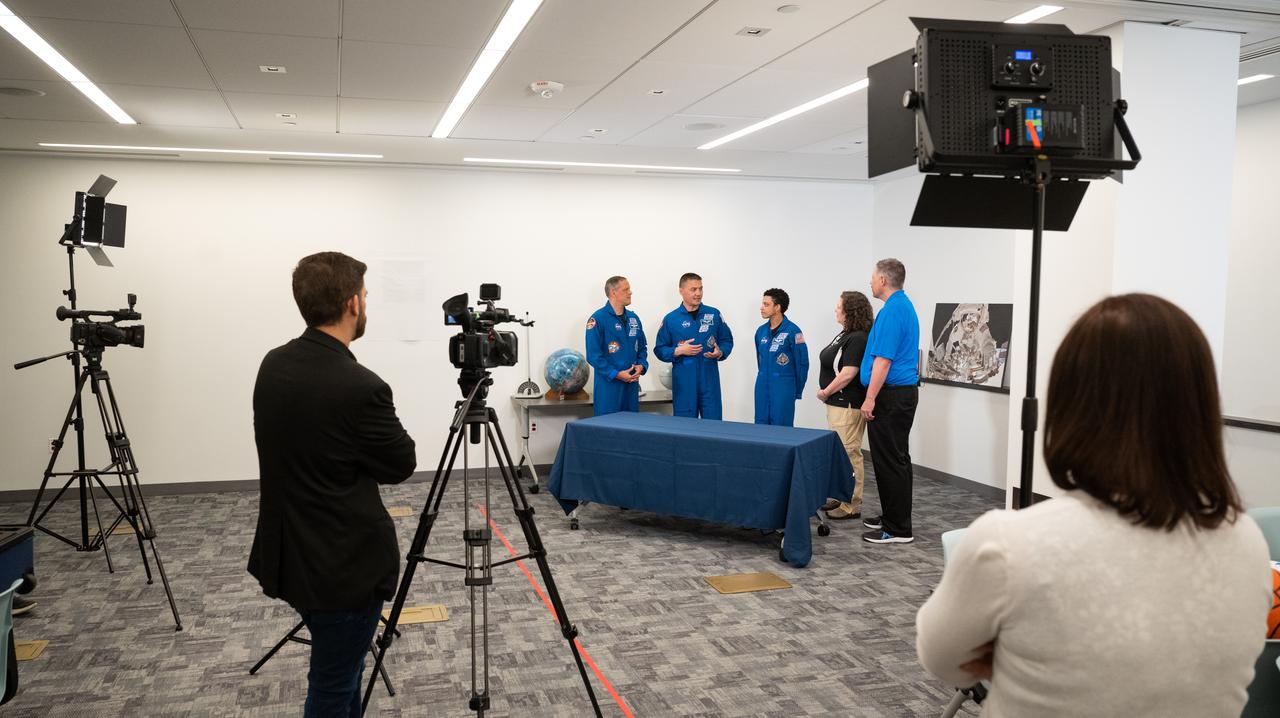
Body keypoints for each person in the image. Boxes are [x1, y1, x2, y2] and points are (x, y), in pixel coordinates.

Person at [915, 293, 1272, 718]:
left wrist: (1016, 653)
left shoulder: (1009, 543)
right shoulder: (1246, 540)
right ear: (1200, 406)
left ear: (1071, 403)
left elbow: (942, 659)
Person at [248, 252, 417, 717]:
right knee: (332, 682)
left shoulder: (273, 364)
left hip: (291, 555)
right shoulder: (362, 386)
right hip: (343, 565)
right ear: (352, 305)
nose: (365, 302)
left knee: (340, 673)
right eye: (364, 295)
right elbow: (401, 464)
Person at [859, 258, 920, 544]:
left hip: (892, 395)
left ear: (883, 280)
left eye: (872, 277)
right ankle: (891, 516)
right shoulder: (898, 307)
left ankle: (898, 528)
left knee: (892, 460)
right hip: (896, 393)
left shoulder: (894, 310)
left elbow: (883, 361)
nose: (870, 281)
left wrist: (870, 398)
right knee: (890, 459)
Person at [816, 291, 873, 521]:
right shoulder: (845, 334)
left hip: (847, 403)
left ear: (850, 310)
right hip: (836, 404)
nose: (835, 309)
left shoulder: (858, 337)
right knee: (840, 454)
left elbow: (849, 372)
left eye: (839, 306)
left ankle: (852, 504)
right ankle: (841, 496)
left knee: (850, 454)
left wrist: (826, 391)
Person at [653, 273, 734, 419]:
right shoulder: (671, 319)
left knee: (713, 426)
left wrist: (720, 352)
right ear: (681, 291)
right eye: (693, 289)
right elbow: (659, 349)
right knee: (685, 428)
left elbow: (727, 340)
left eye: (701, 289)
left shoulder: (714, 314)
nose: (698, 293)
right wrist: (677, 350)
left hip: (709, 379)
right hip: (684, 382)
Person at [585, 276, 648, 416]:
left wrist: (641, 366)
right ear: (613, 293)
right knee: (607, 431)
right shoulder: (598, 319)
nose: (630, 292)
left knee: (632, 430)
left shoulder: (634, 319)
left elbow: (642, 348)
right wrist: (617, 374)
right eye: (626, 289)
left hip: (631, 386)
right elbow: (593, 356)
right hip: (608, 388)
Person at [753, 288, 808, 427]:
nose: (761, 308)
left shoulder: (793, 331)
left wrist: (797, 390)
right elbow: (760, 360)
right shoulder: (760, 332)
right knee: (760, 425)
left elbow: (802, 363)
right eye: (762, 304)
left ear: (777, 307)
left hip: (783, 386)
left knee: (781, 427)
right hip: (762, 385)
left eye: (766, 304)